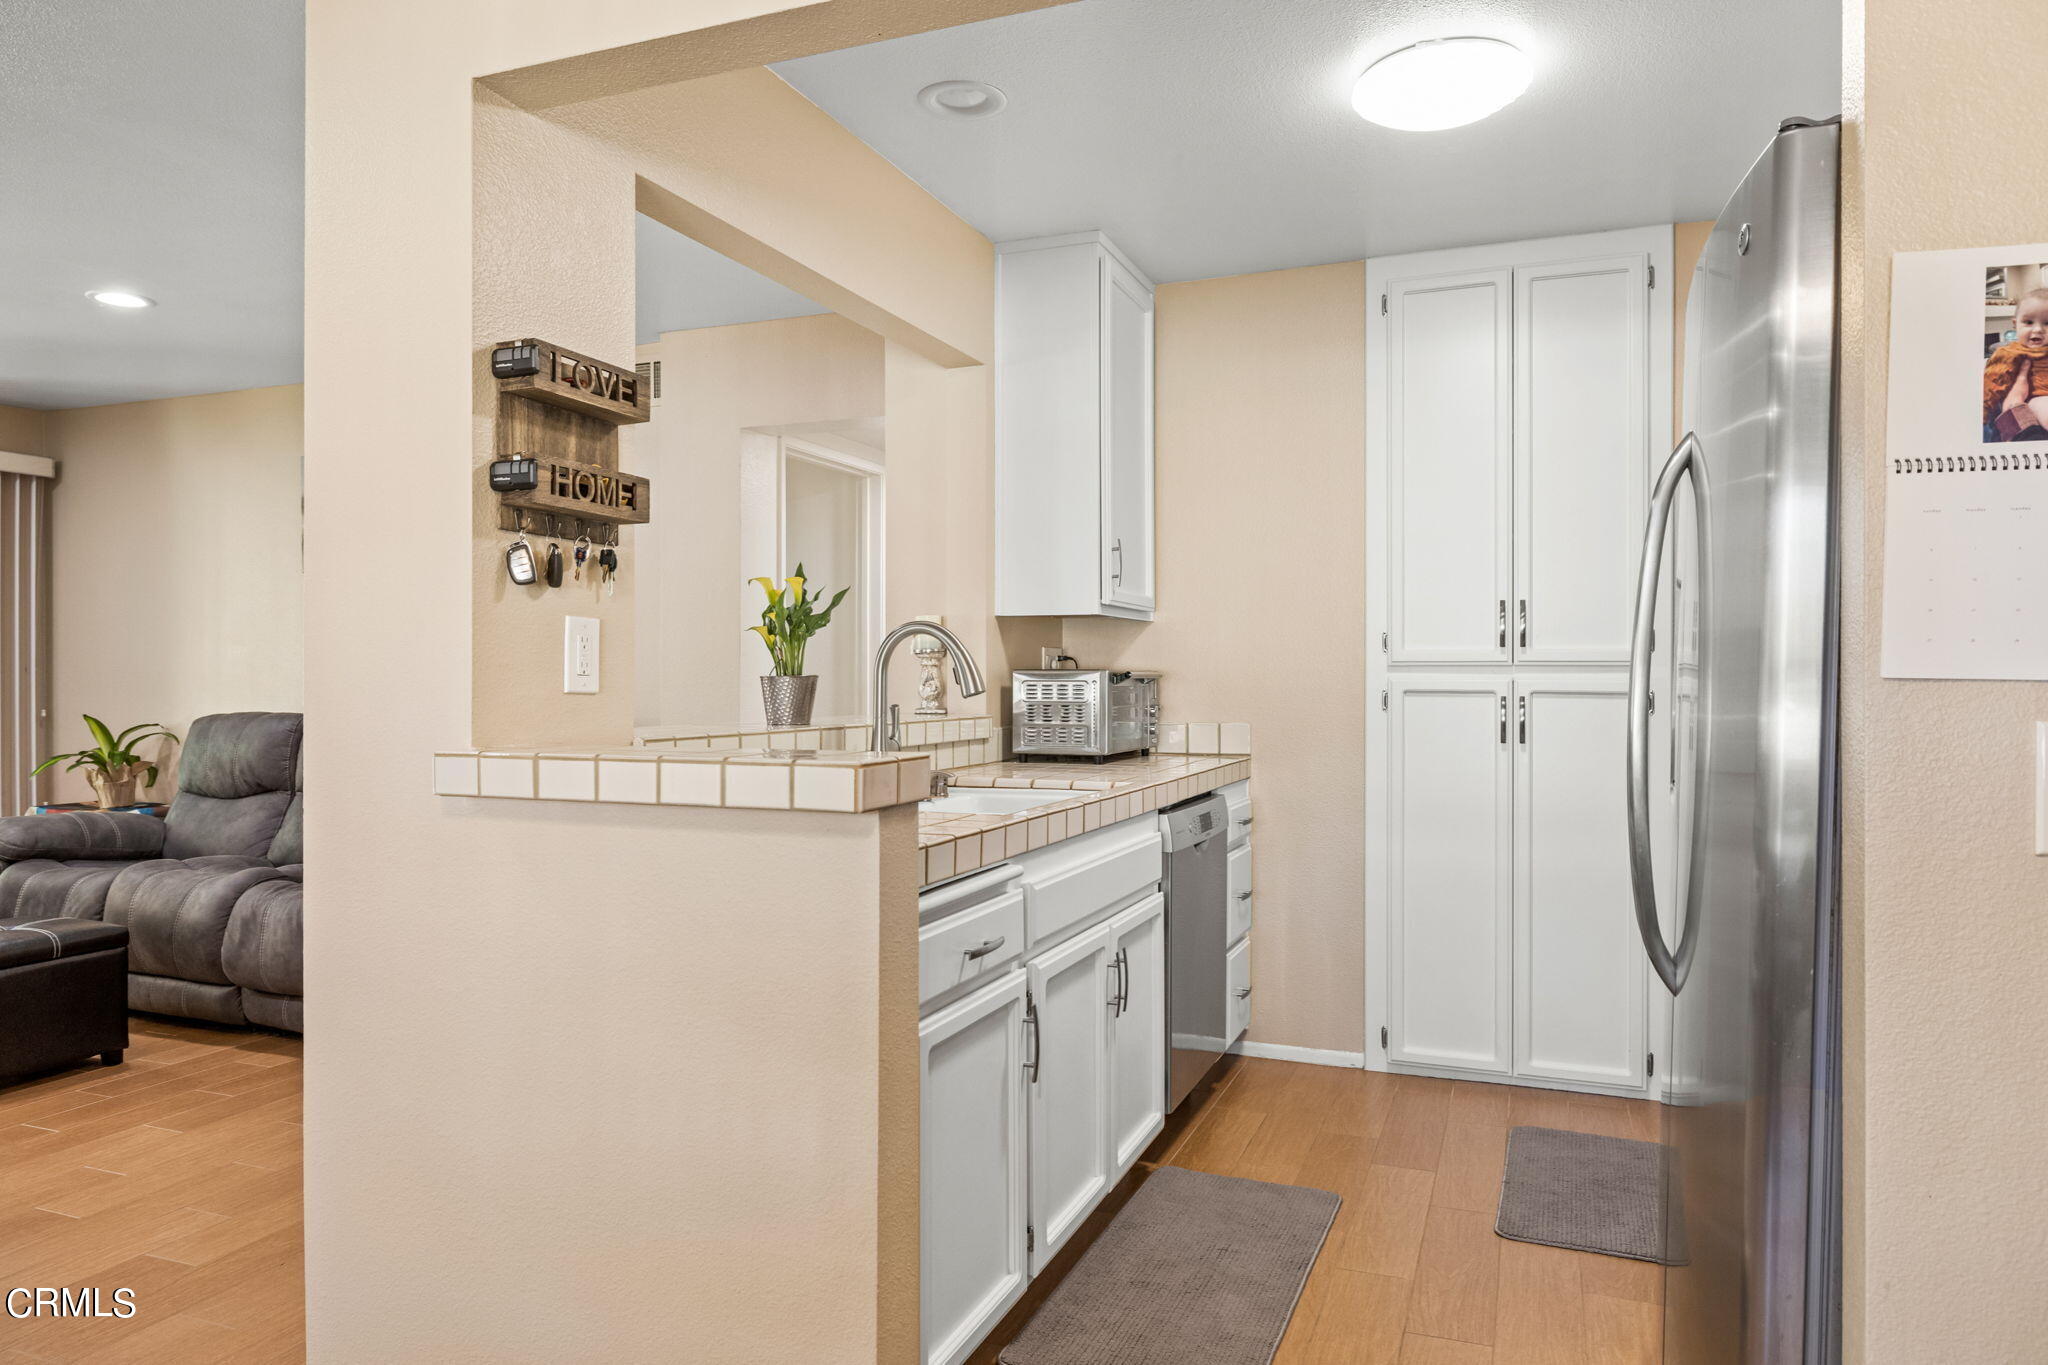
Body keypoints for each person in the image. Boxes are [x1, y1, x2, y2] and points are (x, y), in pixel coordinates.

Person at [1983, 287, 2048, 440]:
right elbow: (1990, 384)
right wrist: (1983, 412)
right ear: (2015, 324)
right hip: (2032, 401)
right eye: (2028, 322)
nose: (2038, 329)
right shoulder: (2010, 353)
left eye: (2047, 323)